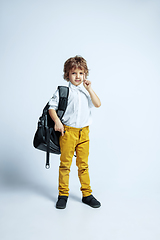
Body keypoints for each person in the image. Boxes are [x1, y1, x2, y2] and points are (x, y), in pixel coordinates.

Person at [48, 55, 101, 209]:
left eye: (81, 73)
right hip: (68, 133)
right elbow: (52, 107)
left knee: (83, 165)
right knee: (65, 165)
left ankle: (87, 194)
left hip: (84, 133)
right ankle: (63, 194)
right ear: (67, 75)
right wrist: (57, 121)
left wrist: (89, 88)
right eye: (74, 73)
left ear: (85, 74)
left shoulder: (86, 92)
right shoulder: (63, 91)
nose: (77, 76)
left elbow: (97, 104)